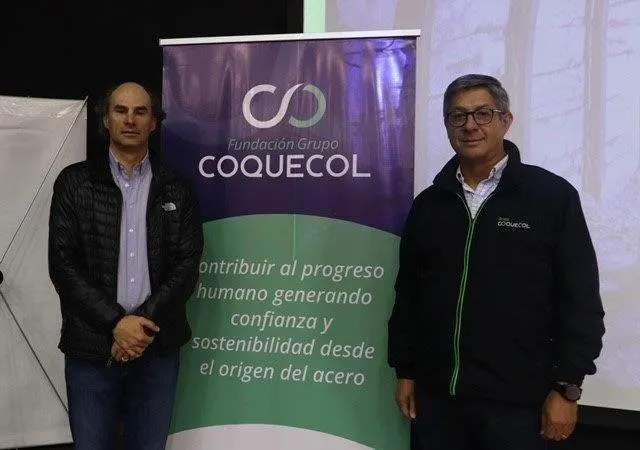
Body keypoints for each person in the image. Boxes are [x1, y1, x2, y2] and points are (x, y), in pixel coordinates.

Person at [388, 74, 605, 450]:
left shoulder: (550, 198)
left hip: (518, 406)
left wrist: (567, 388)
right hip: (439, 402)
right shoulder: (429, 205)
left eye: (483, 113)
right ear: (447, 126)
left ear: (506, 120)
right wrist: (406, 370)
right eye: (458, 116)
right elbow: (409, 295)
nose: (470, 125)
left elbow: (580, 300)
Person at [48, 81, 204, 450]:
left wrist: (140, 327)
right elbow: (63, 265)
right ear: (106, 119)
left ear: (154, 122)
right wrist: (117, 324)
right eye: (121, 111)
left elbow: (186, 266)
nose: (130, 120)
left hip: (157, 349)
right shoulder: (74, 183)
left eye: (140, 111)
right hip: (92, 349)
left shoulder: (177, 189)